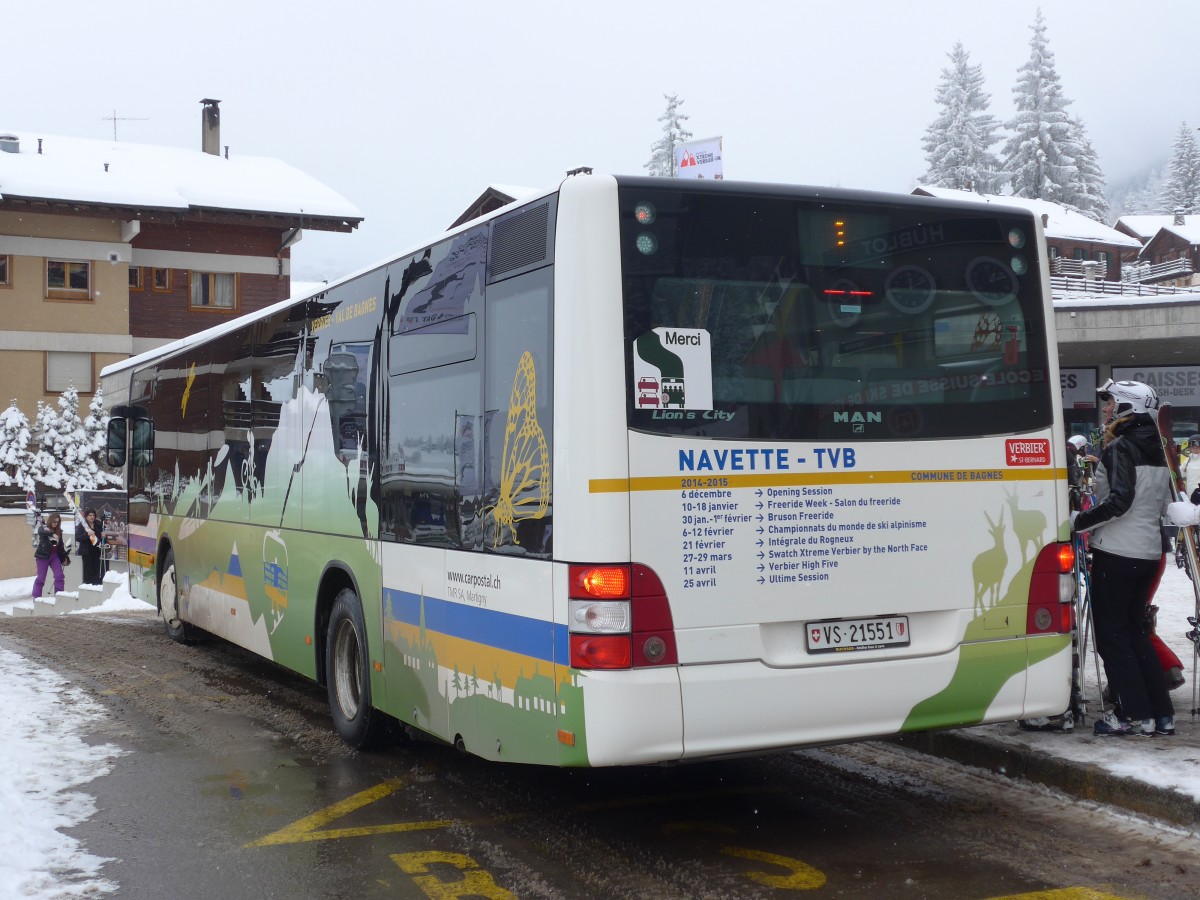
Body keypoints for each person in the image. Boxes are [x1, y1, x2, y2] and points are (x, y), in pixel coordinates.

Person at [1072, 379, 1175, 737]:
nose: (1105, 409)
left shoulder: (1121, 448)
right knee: (1134, 635)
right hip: (1147, 552)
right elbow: (1161, 504)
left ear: (1128, 407)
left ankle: (1132, 715)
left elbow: (1118, 502)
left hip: (1117, 553)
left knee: (1113, 638)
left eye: (1110, 402)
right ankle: (1160, 715)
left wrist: (1077, 522)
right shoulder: (1160, 448)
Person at [32, 512, 69, 598]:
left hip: (54, 555)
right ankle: (36, 597)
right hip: (42, 556)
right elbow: (41, 531)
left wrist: (64, 557)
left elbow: (61, 545)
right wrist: (52, 534)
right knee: (41, 579)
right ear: (50, 521)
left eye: (57, 522)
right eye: (54, 522)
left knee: (59, 576)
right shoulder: (45, 528)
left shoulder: (59, 531)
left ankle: (59, 596)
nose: (56, 524)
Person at [74, 507, 105, 586]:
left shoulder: (98, 524)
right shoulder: (83, 525)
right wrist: (87, 534)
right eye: (90, 515)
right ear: (86, 516)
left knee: (97, 569)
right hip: (87, 551)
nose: (92, 517)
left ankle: (97, 585)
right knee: (89, 570)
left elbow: (101, 536)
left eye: (93, 515)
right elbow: (78, 537)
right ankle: (88, 585)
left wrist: (103, 535)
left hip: (97, 550)